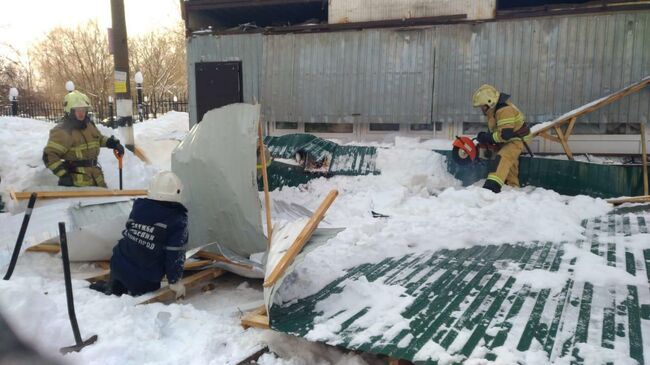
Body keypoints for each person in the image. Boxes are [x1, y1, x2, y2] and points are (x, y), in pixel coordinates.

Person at [90, 171, 188, 298]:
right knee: (141, 284)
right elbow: (175, 254)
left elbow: (130, 231)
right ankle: (124, 288)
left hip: (117, 265)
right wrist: (175, 282)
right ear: (178, 192)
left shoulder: (139, 207)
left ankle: (115, 285)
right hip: (144, 279)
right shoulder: (177, 220)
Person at [42, 91, 124, 187]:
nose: (81, 113)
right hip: (77, 183)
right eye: (78, 110)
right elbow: (49, 155)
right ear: (70, 111)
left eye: (83, 110)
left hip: (96, 179)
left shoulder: (88, 125)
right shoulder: (63, 131)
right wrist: (63, 175)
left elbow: (98, 139)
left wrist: (112, 143)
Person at [472, 84, 531, 193]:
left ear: (490, 102)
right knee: (511, 165)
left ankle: (491, 188)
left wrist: (487, 137)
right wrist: (486, 137)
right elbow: (498, 131)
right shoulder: (494, 111)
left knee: (503, 157)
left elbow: (505, 135)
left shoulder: (504, 110)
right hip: (508, 140)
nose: (481, 109)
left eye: (482, 106)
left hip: (517, 140)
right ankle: (512, 188)